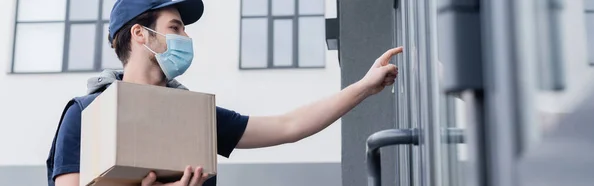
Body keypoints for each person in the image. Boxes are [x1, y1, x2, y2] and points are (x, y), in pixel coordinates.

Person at [45, 0, 403, 186]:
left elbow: (288, 125)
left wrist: (364, 86)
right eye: (175, 28)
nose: (185, 38)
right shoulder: (86, 115)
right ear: (141, 35)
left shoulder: (193, 117)